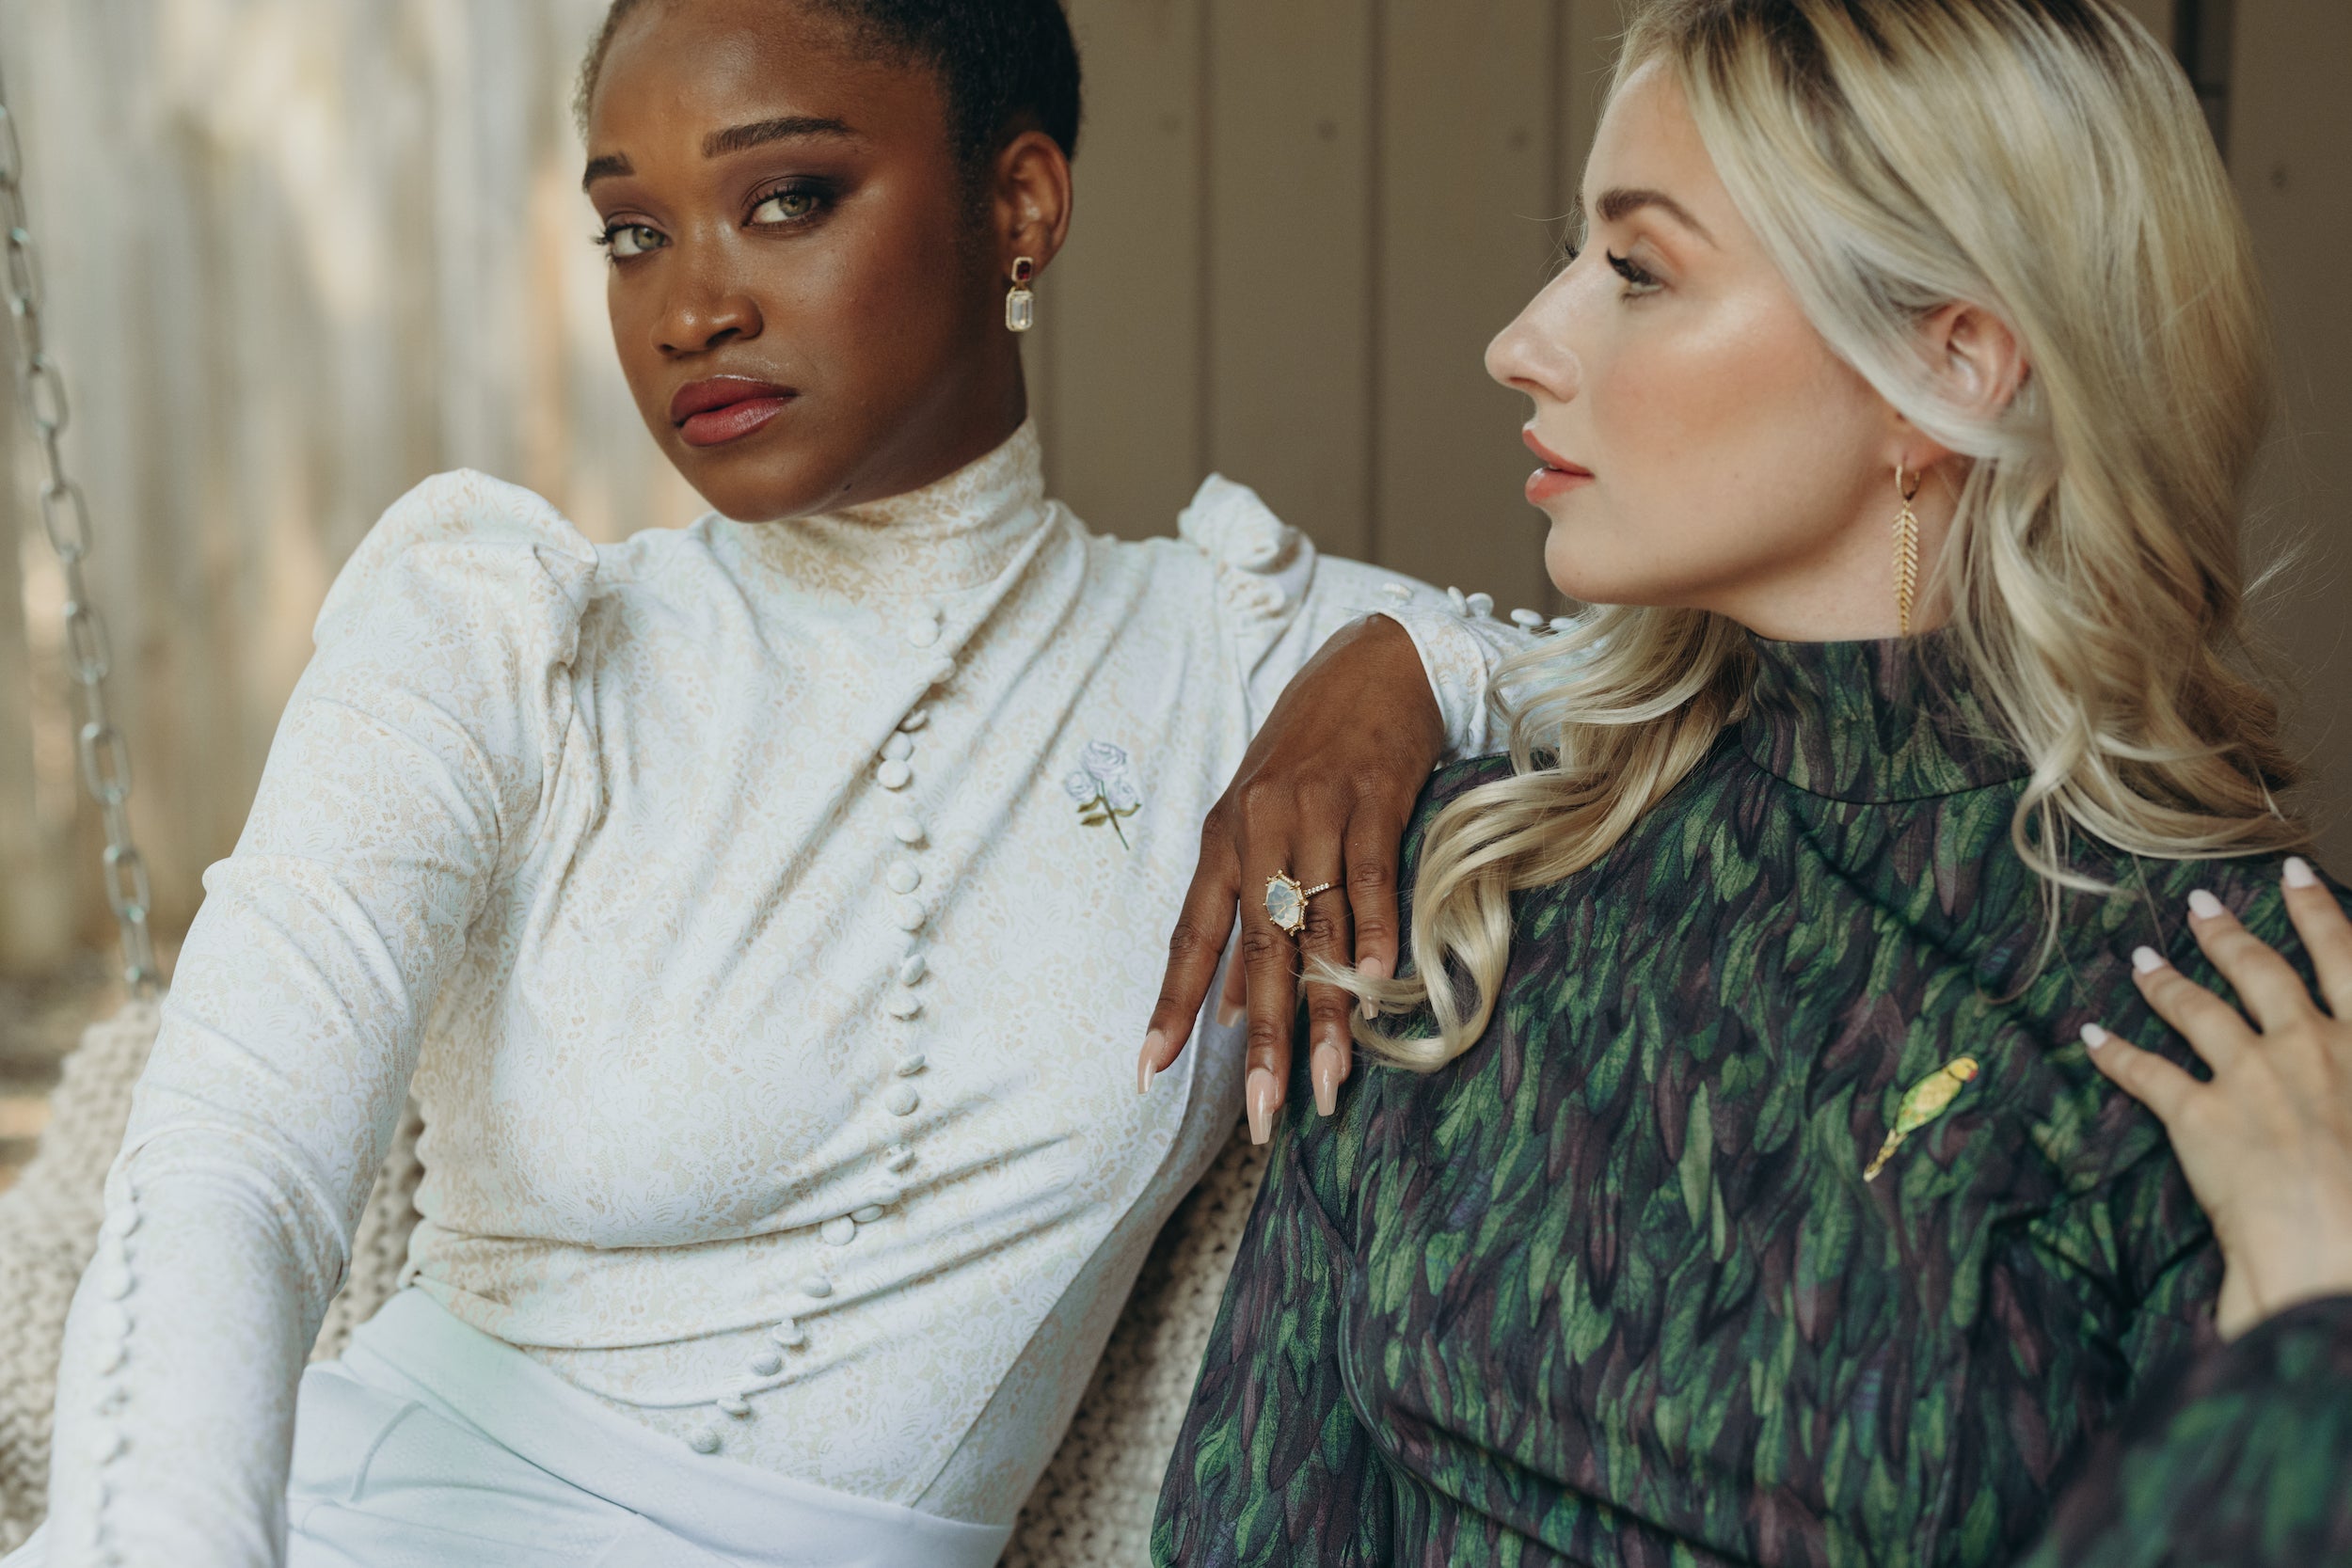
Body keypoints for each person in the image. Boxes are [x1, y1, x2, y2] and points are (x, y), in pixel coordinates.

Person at [14, 3, 1523, 1564]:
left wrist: (1405, 664)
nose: (688, 310)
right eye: (631, 233)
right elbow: (232, 1166)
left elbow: (1664, 674)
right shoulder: (501, 642)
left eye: (786, 199)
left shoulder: (1237, 655)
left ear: (1021, 207)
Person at [1151, 0, 2347, 1562]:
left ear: (1951, 369)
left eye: (1639, 271)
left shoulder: (2235, 1019)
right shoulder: (1466, 881)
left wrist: (2314, 1330)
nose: (1523, 342)